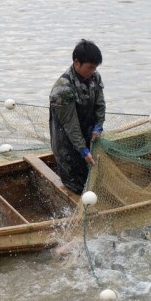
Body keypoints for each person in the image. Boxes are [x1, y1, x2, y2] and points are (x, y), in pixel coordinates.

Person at [49, 39, 106, 194]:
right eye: (90, 67)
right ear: (76, 63)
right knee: (76, 186)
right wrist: (82, 150)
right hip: (67, 144)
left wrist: (98, 126)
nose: (93, 71)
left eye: (95, 67)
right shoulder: (62, 89)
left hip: (89, 137)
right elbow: (70, 125)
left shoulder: (95, 77)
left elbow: (100, 105)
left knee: (94, 180)